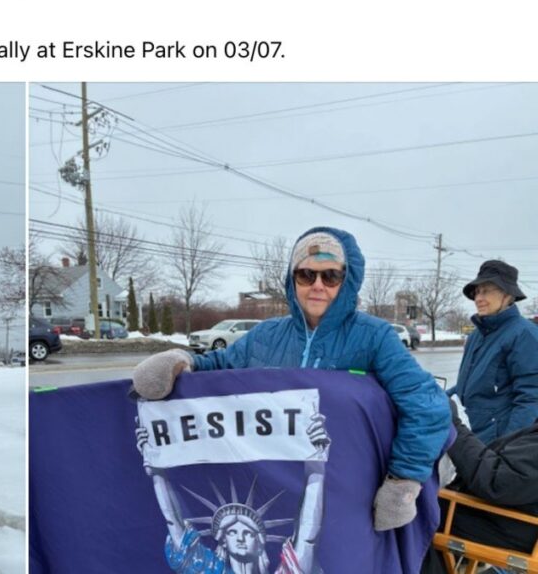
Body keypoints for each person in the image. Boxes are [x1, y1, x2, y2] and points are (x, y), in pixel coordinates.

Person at [133, 227, 450, 532]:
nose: (318, 285)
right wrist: (181, 361)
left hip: (346, 495)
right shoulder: (265, 335)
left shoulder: (374, 337)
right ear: (292, 278)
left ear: (347, 280)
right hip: (270, 492)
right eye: (306, 274)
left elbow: (427, 404)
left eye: (330, 276)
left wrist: (403, 481)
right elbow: (218, 369)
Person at [137, 413, 329, 573]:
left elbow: (308, 534)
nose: (240, 538)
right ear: (223, 541)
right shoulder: (205, 570)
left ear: (259, 542)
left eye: (247, 533)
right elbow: (173, 522)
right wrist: (157, 472)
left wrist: (315, 464)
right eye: (232, 532)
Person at [419, 398, 538, 574]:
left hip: (499, 521)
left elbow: (495, 481)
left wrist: (453, 425)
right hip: (503, 515)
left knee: (415, 510)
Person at [449, 260, 538, 444]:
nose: (478, 298)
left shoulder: (524, 334)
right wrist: (434, 396)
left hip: (495, 444)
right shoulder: (476, 335)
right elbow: (468, 386)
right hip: (470, 439)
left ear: (507, 295)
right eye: (477, 292)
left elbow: (531, 399)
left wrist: (507, 448)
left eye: (486, 291)